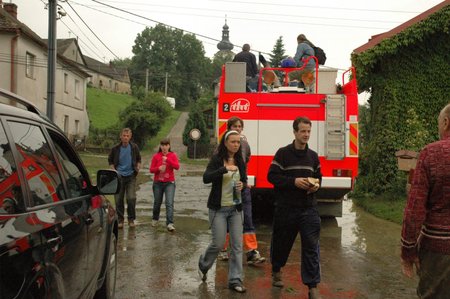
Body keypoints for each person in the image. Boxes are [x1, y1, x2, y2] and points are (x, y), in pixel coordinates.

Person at [267, 116, 322, 299]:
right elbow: (272, 177)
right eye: (303, 131)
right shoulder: (282, 153)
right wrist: (293, 182)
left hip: (309, 209)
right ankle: (276, 270)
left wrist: (316, 185)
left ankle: (312, 286)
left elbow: (319, 177)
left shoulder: (313, 156)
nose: (306, 134)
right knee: (281, 243)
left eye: (308, 131)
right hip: (286, 208)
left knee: (311, 247)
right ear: (295, 132)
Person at [401, 103, 450, 299]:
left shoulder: (431, 153)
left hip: (438, 253)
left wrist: (407, 251)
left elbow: (414, 210)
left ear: (446, 122)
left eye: (439, 123)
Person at [198, 130, 247, 293]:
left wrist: (243, 185)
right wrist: (222, 170)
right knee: (218, 243)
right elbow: (206, 178)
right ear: (225, 143)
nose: (235, 145)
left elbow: (244, 180)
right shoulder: (217, 160)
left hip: (236, 209)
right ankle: (204, 264)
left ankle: (235, 280)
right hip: (218, 209)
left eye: (238, 142)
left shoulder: (240, 160)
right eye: (232, 142)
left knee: (237, 245)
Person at [218, 117, 266, 265]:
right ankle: (223, 249)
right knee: (226, 219)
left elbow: (246, 162)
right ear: (228, 128)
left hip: (242, 189)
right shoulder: (220, 148)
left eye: (240, 126)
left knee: (248, 219)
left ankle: (252, 252)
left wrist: (245, 182)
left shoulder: (245, 145)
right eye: (234, 126)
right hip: (225, 189)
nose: (238, 129)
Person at [108, 128, 141, 228]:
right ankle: (120, 220)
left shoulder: (134, 147)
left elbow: (139, 159)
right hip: (119, 177)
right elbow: (110, 161)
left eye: (127, 136)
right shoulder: (115, 148)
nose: (125, 138)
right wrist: (114, 170)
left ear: (130, 137)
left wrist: (138, 167)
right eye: (124, 136)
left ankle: (131, 219)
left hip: (131, 176)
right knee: (118, 199)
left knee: (131, 198)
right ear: (120, 136)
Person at [149, 138, 180, 232]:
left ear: (169, 146)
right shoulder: (156, 156)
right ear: (160, 146)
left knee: (169, 203)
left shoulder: (173, 155)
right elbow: (151, 169)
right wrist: (158, 168)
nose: (164, 147)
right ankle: (155, 219)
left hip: (169, 183)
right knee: (157, 203)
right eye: (162, 145)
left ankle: (170, 223)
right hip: (158, 183)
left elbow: (177, 167)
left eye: (166, 145)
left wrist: (168, 160)